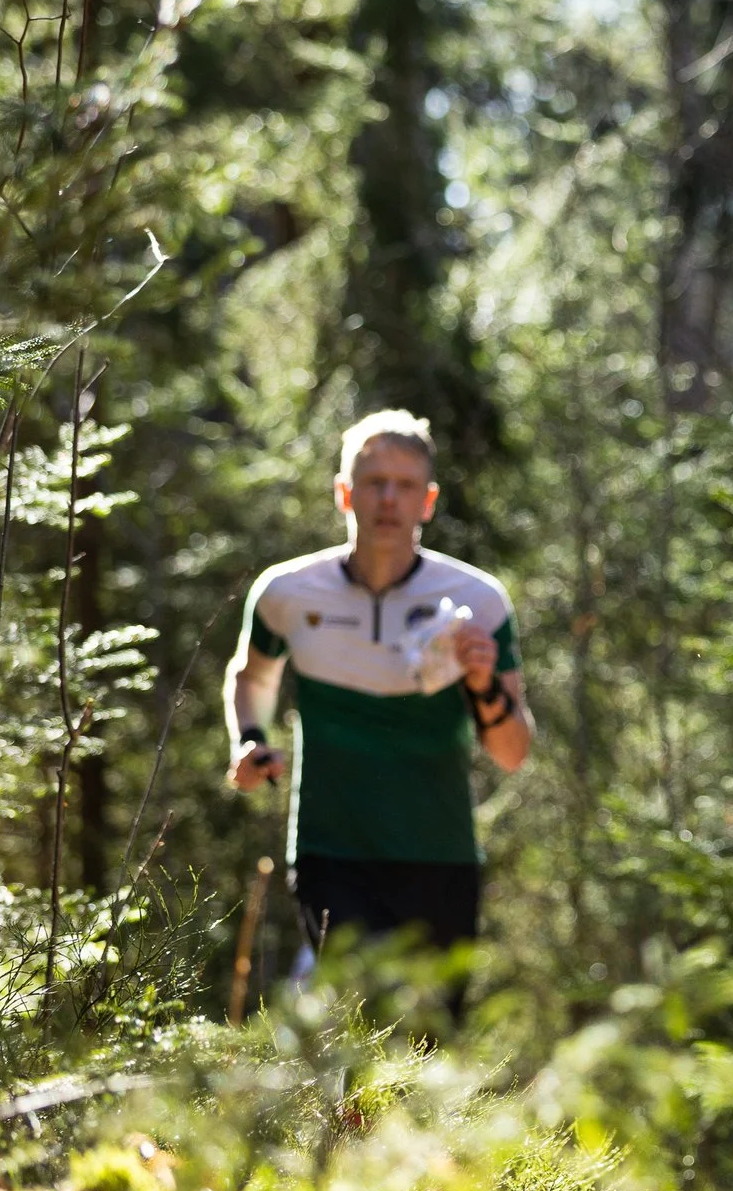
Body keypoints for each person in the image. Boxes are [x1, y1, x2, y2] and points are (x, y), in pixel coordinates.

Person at [223, 409, 530, 996]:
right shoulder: (286, 593)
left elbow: (513, 752)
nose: (389, 498)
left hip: (439, 857)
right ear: (345, 493)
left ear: (428, 501)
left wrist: (482, 681)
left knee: (428, 1051)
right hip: (330, 855)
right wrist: (250, 741)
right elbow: (250, 677)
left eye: (406, 484)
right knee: (357, 1020)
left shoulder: (479, 601)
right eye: (374, 482)